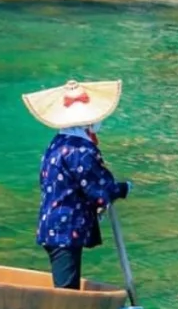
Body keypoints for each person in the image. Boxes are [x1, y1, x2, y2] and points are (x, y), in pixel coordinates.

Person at [21, 80, 131, 290]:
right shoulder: (81, 151)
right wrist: (124, 188)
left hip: (52, 224)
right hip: (65, 228)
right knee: (66, 289)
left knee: (66, 282)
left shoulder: (57, 143)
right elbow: (101, 189)